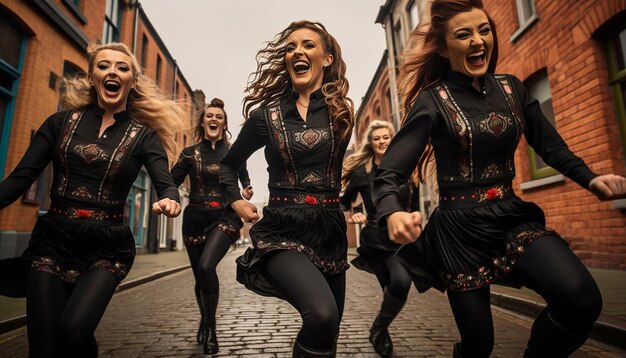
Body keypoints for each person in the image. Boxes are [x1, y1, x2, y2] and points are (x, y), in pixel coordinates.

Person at [372, 1, 626, 357]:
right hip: (459, 233)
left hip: (510, 217)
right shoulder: (432, 101)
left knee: (581, 299)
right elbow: (390, 172)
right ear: (444, 49)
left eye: (484, 30)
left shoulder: (513, 89)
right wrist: (392, 212)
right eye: (464, 35)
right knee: (479, 345)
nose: (478, 41)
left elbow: (552, 149)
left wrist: (592, 179)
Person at [0, 42, 183, 357]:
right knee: (43, 347)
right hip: (52, 240)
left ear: (132, 81)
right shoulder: (59, 123)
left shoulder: (144, 136)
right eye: (104, 66)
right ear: (92, 76)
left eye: (122, 67)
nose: (112, 71)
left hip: (106, 246)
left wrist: (169, 198)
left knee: (73, 332)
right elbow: (20, 179)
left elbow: (164, 181)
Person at [219, 20, 354, 357]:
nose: (297, 52)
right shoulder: (268, 116)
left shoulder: (342, 112)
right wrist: (235, 199)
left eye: (308, 45)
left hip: (330, 228)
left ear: (326, 57)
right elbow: (227, 163)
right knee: (321, 315)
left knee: (330, 329)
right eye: (291, 47)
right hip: (283, 228)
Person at [170, 97, 253, 355]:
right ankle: (203, 321)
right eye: (209, 116)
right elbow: (171, 182)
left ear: (224, 122)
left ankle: (212, 329)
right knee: (200, 277)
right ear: (203, 122)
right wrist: (168, 198)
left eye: (219, 116)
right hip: (194, 218)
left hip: (224, 218)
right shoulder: (189, 153)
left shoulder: (233, 152)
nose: (214, 119)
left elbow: (245, 182)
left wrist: (246, 193)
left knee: (207, 266)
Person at [340, 120, 417, 357]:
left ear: (392, 139)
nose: (382, 141)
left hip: (401, 238)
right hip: (375, 238)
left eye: (386, 137)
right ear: (371, 144)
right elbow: (345, 201)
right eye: (377, 138)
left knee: (402, 283)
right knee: (390, 289)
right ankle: (382, 331)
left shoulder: (405, 168)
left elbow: (414, 201)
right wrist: (355, 214)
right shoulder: (362, 172)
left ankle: (379, 327)